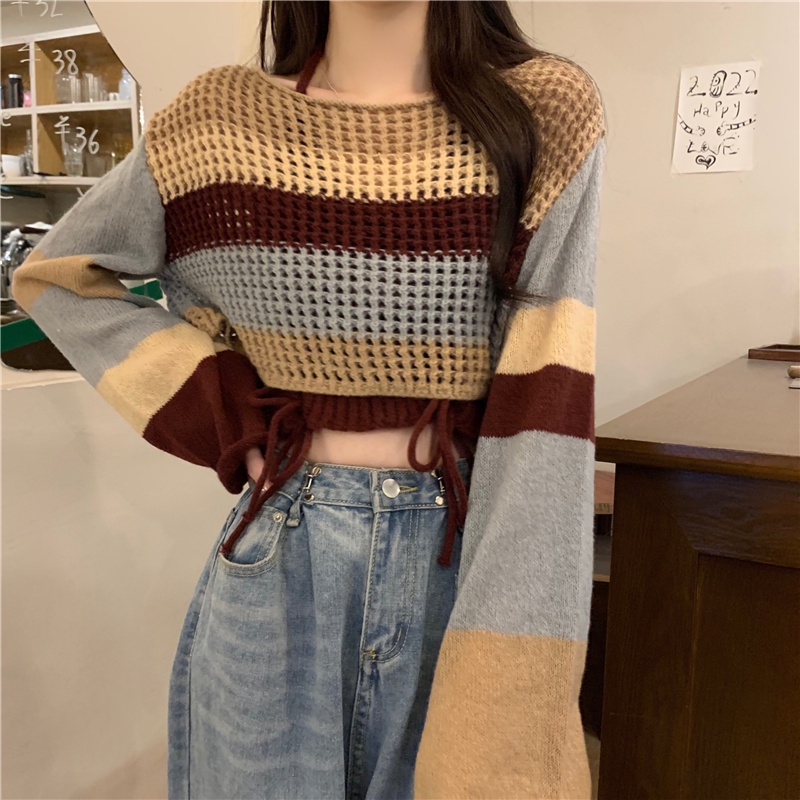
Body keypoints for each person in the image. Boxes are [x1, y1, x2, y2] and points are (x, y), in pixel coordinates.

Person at [11, 0, 606, 797]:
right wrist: (229, 416)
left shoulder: (544, 110)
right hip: (279, 558)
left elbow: (546, 399)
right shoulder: (216, 121)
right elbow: (61, 277)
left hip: (465, 552)